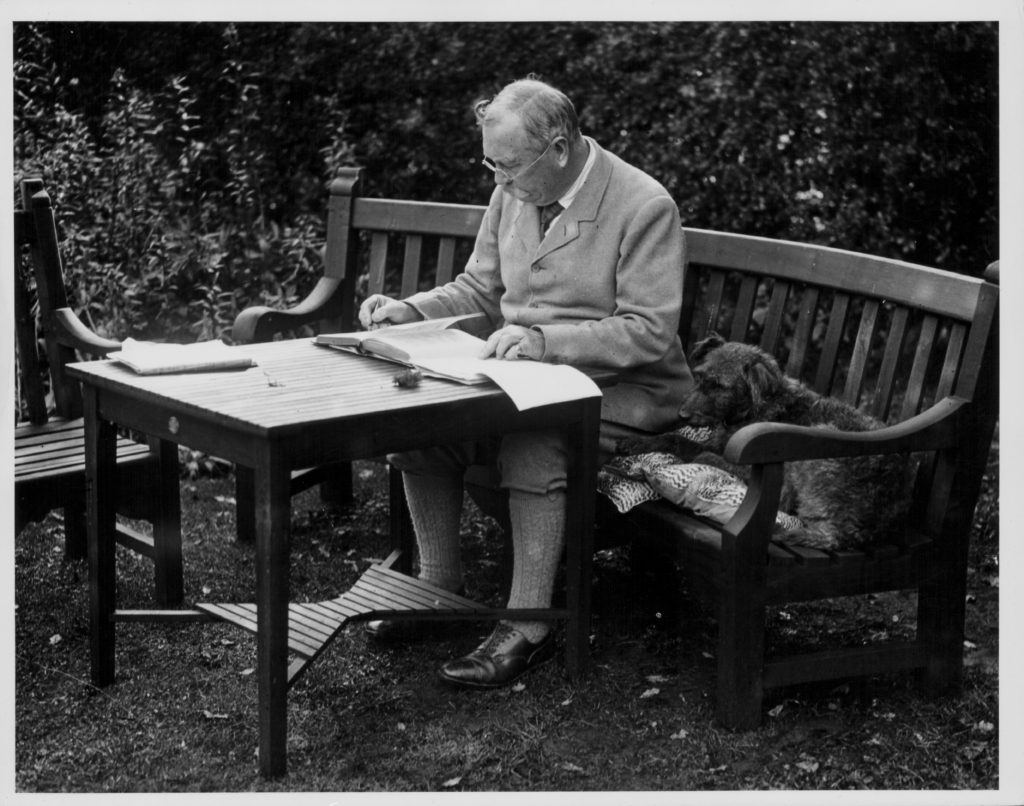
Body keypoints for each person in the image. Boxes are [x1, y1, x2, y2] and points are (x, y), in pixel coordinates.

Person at [358, 76, 692, 689]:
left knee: (533, 439)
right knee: (424, 422)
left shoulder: (644, 205)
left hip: (628, 393)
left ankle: (527, 625)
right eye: (490, 163)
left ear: (559, 149)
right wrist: (412, 310)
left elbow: (647, 330)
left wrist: (546, 344)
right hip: (525, 376)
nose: (497, 180)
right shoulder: (514, 189)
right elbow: (480, 290)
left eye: (507, 166)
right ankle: (438, 583)